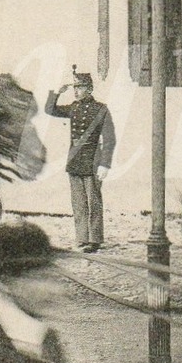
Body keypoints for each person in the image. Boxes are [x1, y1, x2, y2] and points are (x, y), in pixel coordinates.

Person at [44, 71, 116, 252]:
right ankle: (82, 238)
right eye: (75, 87)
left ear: (89, 89)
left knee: (93, 202)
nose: (76, 91)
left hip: (92, 161)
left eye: (80, 87)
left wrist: (105, 163)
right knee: (78, 203)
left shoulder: (101, 109)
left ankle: (95, 240)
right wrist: (56, 92)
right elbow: (50, 110)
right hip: (75, 161)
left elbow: (109, 138)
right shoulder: (74, 108)